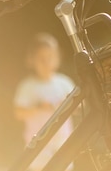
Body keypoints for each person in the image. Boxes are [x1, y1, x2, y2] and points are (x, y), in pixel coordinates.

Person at [14, 32, 76, 171]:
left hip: (63, 143)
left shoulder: (64, 83)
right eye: (41, 58)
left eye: (50, 57)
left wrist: (66, 106)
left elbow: (79, 107)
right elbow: (18, 113)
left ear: (57, 58)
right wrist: (39, 107)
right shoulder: (27, 86)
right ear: (32, 60)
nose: (46, 62)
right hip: (38, 146)